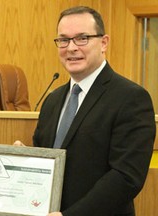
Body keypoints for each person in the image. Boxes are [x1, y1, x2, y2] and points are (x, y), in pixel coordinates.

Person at [14, 6, 156, 216]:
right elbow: (50, 162)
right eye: (63, 40)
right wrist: (21, 159)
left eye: (82, 38)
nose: (71, 48)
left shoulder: (131, 98)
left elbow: (126, 177)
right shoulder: (52, 100)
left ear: (104, 43)